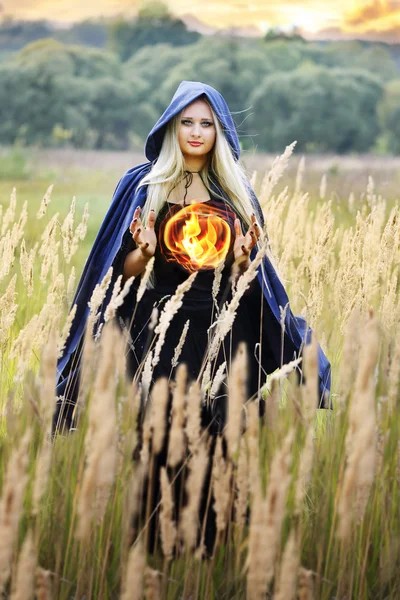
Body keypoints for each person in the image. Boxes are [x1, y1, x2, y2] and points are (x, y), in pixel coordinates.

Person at [52, 80, 331, 436]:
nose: (196, 132)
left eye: (206, 123)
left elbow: (251, 285)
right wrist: (144, 252)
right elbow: (117, 274)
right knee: (158, 439)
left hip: (221, 334)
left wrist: (243, 261)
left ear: (220, 130)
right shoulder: (144, 185)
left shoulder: (235, 193)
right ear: (171, 126)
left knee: (219, 440)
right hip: (158, 334)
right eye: (187, 122)